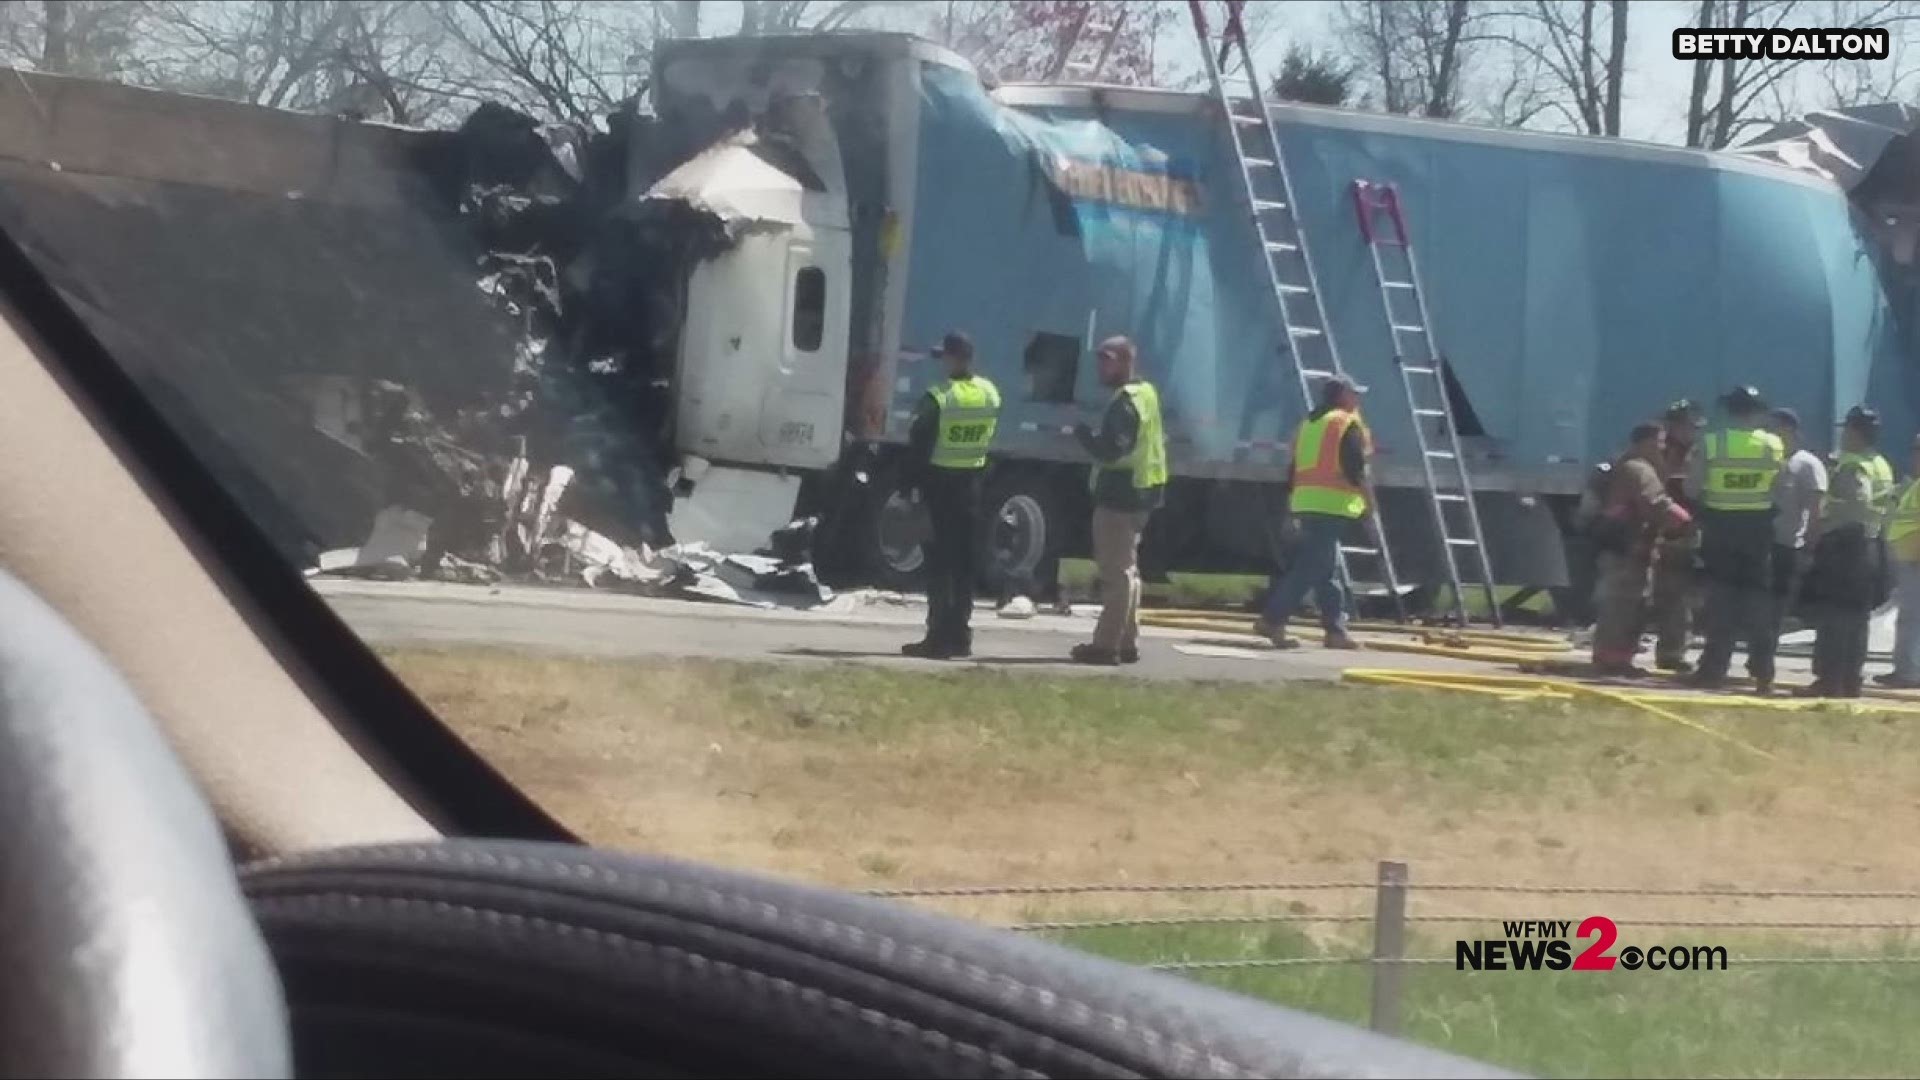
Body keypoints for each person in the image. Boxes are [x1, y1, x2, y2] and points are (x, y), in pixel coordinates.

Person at [900, 331, 1000, 660]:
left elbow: (918, 446)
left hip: (939, 488)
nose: (941, 361)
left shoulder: (938, 397)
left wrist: (910, 487)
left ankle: (937, 637)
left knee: (939, 565)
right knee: (964, 565)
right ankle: (961, 635)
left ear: (956, 358)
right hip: (973, 487)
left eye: (944, 355)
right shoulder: (989, 393)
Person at [1256, 374, 1372, 651]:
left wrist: (1289, 507)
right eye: (1355, 393)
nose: (1358, 399)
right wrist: (1370, 505)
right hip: (1331, 506)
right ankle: (1272, 620)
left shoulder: (1310, 424)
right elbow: (1357, 470)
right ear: (1343, 395)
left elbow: (1294, 468)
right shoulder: (1346, 423)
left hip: (1307, 503)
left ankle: (1335, 631)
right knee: (1310, 569)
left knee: (1325, 571)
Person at [1071, 336, 1167, 666]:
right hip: (1143, 493)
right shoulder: (1147, 394)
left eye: (1108, 359)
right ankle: (1127, 641)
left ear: (1126, 362)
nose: (1101, 365)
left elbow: (1112, 451)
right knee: (1130, 571)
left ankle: (1106, 645)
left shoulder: (1125, 402)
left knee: (1116, 573)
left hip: (1121, 495)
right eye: (1100, 358)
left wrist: (1083, 436)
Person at [1686, 386, 1785, 693]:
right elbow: (1781, 488)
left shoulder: (1712, 443)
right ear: (1757, 412)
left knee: (1721, 602)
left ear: (1729, 411)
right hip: (1758, 530)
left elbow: (1691, 488)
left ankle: (1713, 671)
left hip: (1721, 528)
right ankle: (1763, 671)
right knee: (1758, 604)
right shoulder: (1774, 444)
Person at [1800, 406, 1894, 698]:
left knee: (1834, 615)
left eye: (1847, 430)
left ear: (1855, 432)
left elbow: (1855, 502)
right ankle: (1851, 679)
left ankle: (1829, 679)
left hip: (1845, 545)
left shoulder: (1853, 465)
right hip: (1870, 544)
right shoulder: (1880, 463)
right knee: (1857, 618)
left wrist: (1823, 527)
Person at [1589, 423, 1692, 674]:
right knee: (1625, 606)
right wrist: (1685, 521)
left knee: (1623, 604)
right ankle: (1614, 661)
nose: (1663, 447)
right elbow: (1655, 503)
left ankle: (1614, 658)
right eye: (1659, 441)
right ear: (1645, 442)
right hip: (1629, 549)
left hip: (1623, 549)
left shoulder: (1625, 464)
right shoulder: (1640, 468)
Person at [1650, 399, 1705, 672]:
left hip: (1683, 533)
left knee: (1677, 597)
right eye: (1687, 425)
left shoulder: (1693, 454)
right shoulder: (1664, 454)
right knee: (1665, 595)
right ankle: (1665, 651)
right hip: (1664, 533)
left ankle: (1672, 650)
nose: (1692, 430)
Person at [1765, 407, 1827, 644]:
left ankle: (1768, 646)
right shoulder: (1771, 460)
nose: (1769, 433)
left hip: (1789, 544)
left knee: (1779, 600)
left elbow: (1815, 506)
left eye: (1774, 427)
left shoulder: (1807, 464)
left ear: (1788, 429)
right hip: (1765, 541)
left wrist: (1812, 540)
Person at [1875, 434, 1920, 688]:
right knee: (1909, 617)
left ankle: (1910, 672)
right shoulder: (1915, 485)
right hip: (1908, 559)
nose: (1914, 456)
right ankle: (1905, 668)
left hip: (1915, 560)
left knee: (1912, 618)